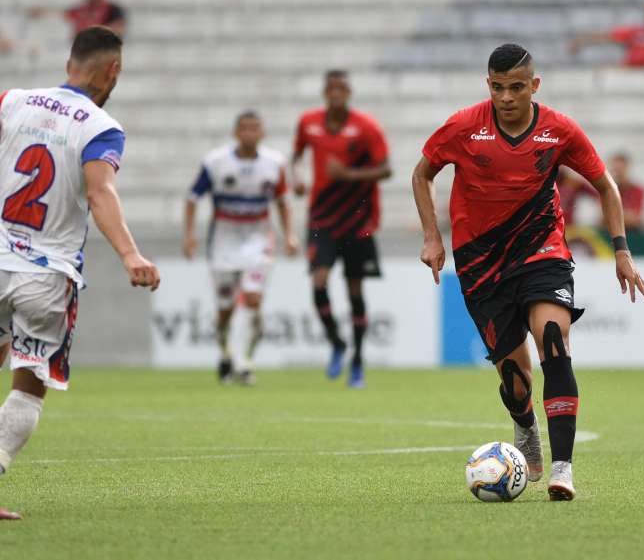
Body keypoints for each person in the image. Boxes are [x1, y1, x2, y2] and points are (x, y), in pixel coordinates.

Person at [412, 44, 644, 501]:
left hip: (542, 250)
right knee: (515, 380)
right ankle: (526, 426)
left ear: (535, 85)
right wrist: (432, 236)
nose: (507, 97)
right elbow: (422, 174)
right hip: (481, 262)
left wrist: (621, 250)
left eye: (517, 87)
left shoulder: (558, 130)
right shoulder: (463, 126)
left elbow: (605, 185)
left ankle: (563, 470)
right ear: (488, 85)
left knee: (553, 340)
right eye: (498, 87)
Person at [0, 26, 160, 520]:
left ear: (70, 63)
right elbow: (99, 192)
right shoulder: (101, 127)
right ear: (113, 70)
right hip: (46, 274)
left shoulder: (12, 101)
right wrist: (130, 255)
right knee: (28, 386)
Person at [183, 111, 298, 386]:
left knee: (253, 299)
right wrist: (189, 235)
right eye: (244, 128)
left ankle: (244, 361)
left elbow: (283, 201)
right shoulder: (216, 162)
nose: (249, 133)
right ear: (236, 132)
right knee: (225, 310)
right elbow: (192, 197)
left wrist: (290, 235)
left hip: (259, 240)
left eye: (255, 128)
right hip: (223, 241)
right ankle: (226, 353)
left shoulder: (275, 163)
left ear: (262, 133)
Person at [292, 70, 391, 387]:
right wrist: (297, 177)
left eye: (342, 88)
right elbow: (296, 156)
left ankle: (358, 361)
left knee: (354, 290)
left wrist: (347, 174)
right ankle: (336, 342)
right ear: (325, 92)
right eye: (331, 88)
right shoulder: (308, 122)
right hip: (322, 216)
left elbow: (386, 169)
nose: (336, 93)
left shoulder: (366, 127)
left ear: (349, 92)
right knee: (318, 281)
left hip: (358, 219)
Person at [29, 0, 127, 38]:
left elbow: (119, 29)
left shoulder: (113, 8)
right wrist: (42, 12)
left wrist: (92, 31)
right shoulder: (80, 9)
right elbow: (61, 15)